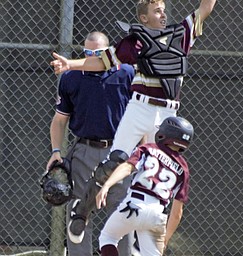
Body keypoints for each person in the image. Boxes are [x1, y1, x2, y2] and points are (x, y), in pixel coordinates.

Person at [50, 0, 217, 244]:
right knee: (115, 159)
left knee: (158, 172)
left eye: (163, 10)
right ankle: (81, 213)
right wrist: (69, 64)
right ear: (144, 18)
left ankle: (145, 238)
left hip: (167, 116)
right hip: (140, 107)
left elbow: (206, 8)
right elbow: (101, 62)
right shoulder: (135, 42)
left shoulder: (181, 34)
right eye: (156, 11)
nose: (162, 14)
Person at [46, 31, 136, 256]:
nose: (91, 57)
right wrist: (56, 151)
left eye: (97, 53)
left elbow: (138, 117)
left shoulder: (125, 73)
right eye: (87, 52)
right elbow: (59, 120)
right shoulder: (72, 77)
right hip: (85, 150)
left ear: (108, 54)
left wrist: (142, 153)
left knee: (123, 212)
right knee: (78, 214)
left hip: (120, 152)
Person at [95, 116, 194, 256]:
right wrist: (166, 238)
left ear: (165, 133)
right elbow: (177, 213)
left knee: (108, 237)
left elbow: (127, 167)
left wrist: (107, 185)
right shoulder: (183, 168)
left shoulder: (149, 149)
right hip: (157, 214)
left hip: (134, 204)